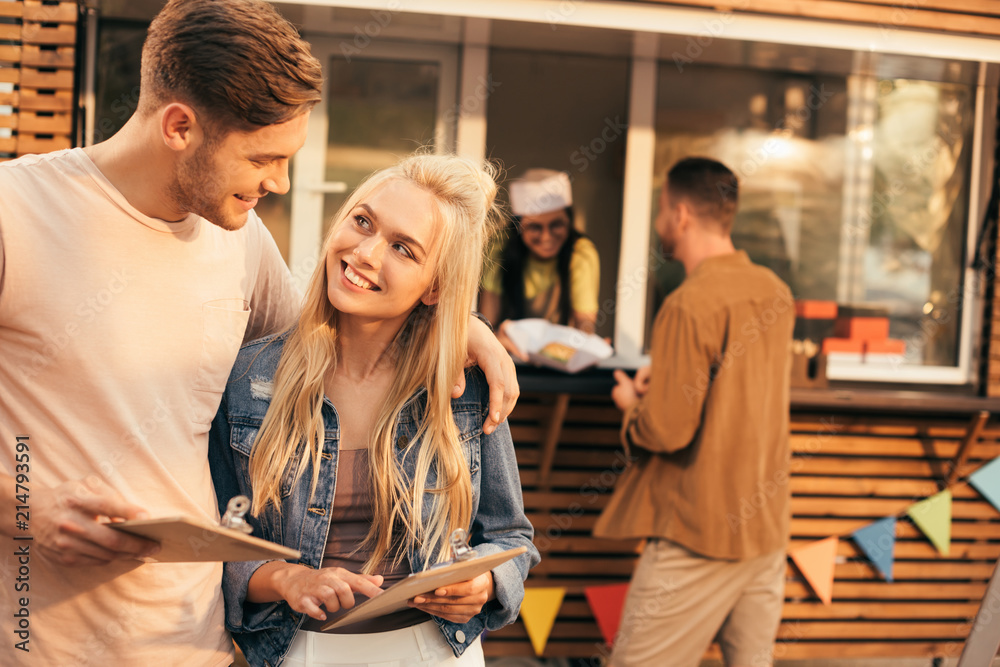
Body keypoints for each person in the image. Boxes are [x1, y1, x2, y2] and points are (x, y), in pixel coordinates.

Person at [0, 2, 517, 664]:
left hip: (205, 644)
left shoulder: (238, 240)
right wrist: (26, 500)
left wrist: (462, 326)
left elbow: (337, 335)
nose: (280, 181)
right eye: (264, 158)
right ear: (180, 127)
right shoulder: (18, 213)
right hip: (41, 642)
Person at [209, 153, 539, 667]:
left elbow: (509, 535)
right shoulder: (252, 377)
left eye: (403, 249)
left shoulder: (462, 385)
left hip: (436, 653)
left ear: (435, 286)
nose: (364, 252)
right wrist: (287, 579)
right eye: (363, 221)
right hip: (299, 652)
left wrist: (485, 581)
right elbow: (221, 539)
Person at [594, 157, 794, 667]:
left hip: (700, 532)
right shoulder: (775, 291)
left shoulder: (688, 303)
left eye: (661, 209)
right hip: (765, 530)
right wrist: (668, 374)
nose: (660, 220)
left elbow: (666, 430)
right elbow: (740, 388)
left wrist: (631, 406)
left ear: (680, 215)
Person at [478, 169, 600, 358]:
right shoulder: (499, 249)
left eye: (556, 225)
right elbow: (488, 322)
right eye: (535, 227)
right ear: (518, 227)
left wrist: (589, 344)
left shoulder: (581, 252)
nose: (546, 237)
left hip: (559, 361)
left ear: (569, 221)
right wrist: (495, 339)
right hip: (506, 357)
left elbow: (584, 322)